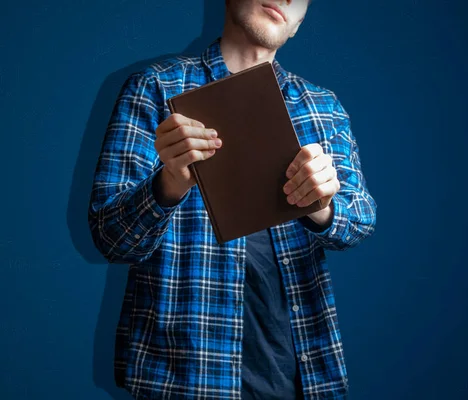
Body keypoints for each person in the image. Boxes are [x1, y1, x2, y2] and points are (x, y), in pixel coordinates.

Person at [87, 0, 377, 398]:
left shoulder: (323, 107)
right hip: (184, 379)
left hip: (302, 378)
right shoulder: (156, 88)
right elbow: (110, 238)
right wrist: (169, 183)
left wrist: (323, 204)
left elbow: (360, 220)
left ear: (299, 24)